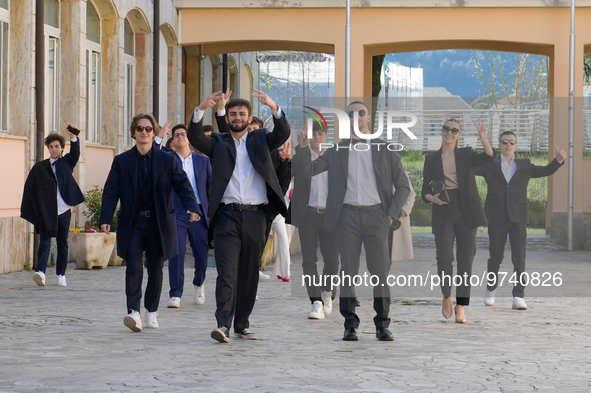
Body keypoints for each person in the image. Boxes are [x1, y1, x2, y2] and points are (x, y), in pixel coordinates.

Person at [296, 101, 411, 342]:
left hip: (377, 217)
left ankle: (382, 325)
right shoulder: (336, 151)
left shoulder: (385, 149)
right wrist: (303, 148)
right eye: (351, 114)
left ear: (369, 119)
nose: (356, 117)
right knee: (348, 272)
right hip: (347, 218)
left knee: (380, 272)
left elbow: (403, 186)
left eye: (361, 113)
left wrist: (389, 215)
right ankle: (350, 324)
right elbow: (307, 171)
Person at [187, 89, 290, 343]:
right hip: (226, 216)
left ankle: (242, 324)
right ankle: (223, 323)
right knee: (226, 272)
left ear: (249, 117)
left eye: (241, 114)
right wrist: (200, 109)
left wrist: (274, 106)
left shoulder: (261, 139)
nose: (236, 117)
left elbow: (283, 133)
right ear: (228, 117)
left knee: (249, 273)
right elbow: (195, 136)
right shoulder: (218, 143)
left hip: (256, 217)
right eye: (232, 114)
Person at [99, 114, 201, 332]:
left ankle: (151, 311)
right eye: (139, 129)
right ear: (133, 132)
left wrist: (192, 206)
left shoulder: (168, 159)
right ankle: (133, 312)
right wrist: (105, 218)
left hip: (159, 224)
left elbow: (183, 185)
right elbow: (110, 191)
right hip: (133, 223)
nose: (144, 132)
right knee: (133, 267)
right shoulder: (121, 161)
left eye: (147, 129)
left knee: (155, 270)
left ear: (154, 133)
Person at [476, 131, 566, 310]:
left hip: (518, 217)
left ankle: (518, 295)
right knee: (495, 256)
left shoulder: (525, 165)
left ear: (516, 146)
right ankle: (490, 289)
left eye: (512, 142)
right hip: (496, 217)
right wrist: (466, 156)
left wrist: (558, 161)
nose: (508, 144)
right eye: (504, 141)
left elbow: (545, 171)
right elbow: (469, 169)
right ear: (499, 145)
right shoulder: (490, 165)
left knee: (519, 258)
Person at [421, 117, 494, 323]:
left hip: (467, 211)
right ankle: (446, 295)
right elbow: (424, 190)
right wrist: (431, 198)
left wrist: (483, 138)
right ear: (442, 131)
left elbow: (489, 158)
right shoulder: (431, 159)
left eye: (454, 130)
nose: (449, 132)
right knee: (444, 258)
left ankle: (461, 304)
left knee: (465, 260)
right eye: (446, 129)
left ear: (459, 134)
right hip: (443, 209)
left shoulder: (467, 154)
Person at [21, 123, 85, 287]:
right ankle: (40, 272)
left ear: (62, 148)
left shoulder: (67, 163)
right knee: (45, 242)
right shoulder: (40, 168)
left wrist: (73, 136)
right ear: (48, 148)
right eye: (51, 147)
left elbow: (76, 152)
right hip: (46, 212)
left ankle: (61, 275)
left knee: (62, 243)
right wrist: (35, 211)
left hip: (64, 210)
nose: (54, 149)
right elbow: (31, 189)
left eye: (56, 146)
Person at [291, 121, 340, 319]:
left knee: (332, 260)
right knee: (309, 260)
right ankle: (316, 301)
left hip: (330, 215)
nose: (317, 137)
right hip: (308, 214)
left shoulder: (336, 158)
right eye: (313, 134)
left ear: (326, 136)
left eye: (320, 133)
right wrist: (300, 149)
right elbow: (298, 171)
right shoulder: (300, 158)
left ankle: (327, 293)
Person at [162, 124, 212, 309]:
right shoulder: (168, 159)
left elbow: (210, 187)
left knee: (201, 253)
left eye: (183, 134)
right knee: (177, 251)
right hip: (177, 211)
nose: (180, 137)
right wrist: (159, 137)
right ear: (173, 141)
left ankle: (199, 284)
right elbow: (154, 154)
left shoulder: (202, 161)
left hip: (198, 211)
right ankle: (175, 293)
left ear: (189, 138)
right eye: (177, 135)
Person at [389, 172, 416, 262]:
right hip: (376, 217)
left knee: (387, 257)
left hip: (395, 219)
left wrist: (405, 209)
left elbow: (411, 194)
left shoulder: (399, 171)